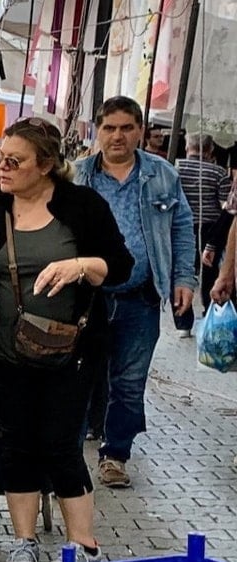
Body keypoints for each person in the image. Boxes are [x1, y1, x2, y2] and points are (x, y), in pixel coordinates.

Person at [0, 116, 134, 562]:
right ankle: (23, 542)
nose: (3, 168)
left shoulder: (81, 206)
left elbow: (120, 265)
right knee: (17, 444)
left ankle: (84, 547)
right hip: (6, 350)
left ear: (45, 165)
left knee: (61, 444)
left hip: (71, 350)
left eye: (14, 161)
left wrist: (81, 265)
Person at [73, 96, 196, 489]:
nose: (118, 136)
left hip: (140, 297)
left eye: (127, 128)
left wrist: (184, 279)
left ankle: (115, 455)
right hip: (85, 298)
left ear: (141, 130)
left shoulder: (162, 175)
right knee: (78, 378)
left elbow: (181, 228)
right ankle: (67, 457)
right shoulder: (78, 176)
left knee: (129, 381)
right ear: (97, 130)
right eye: (109, 128)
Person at [175, 133, 233, 327]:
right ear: (210, 150)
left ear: (186, 147)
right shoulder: (218, 173)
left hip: (180, 226)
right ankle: (210, 311)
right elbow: (227, 205)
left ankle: (182, 321)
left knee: (182, 270)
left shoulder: (175, 168)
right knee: (209, 273)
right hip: (211, 227)